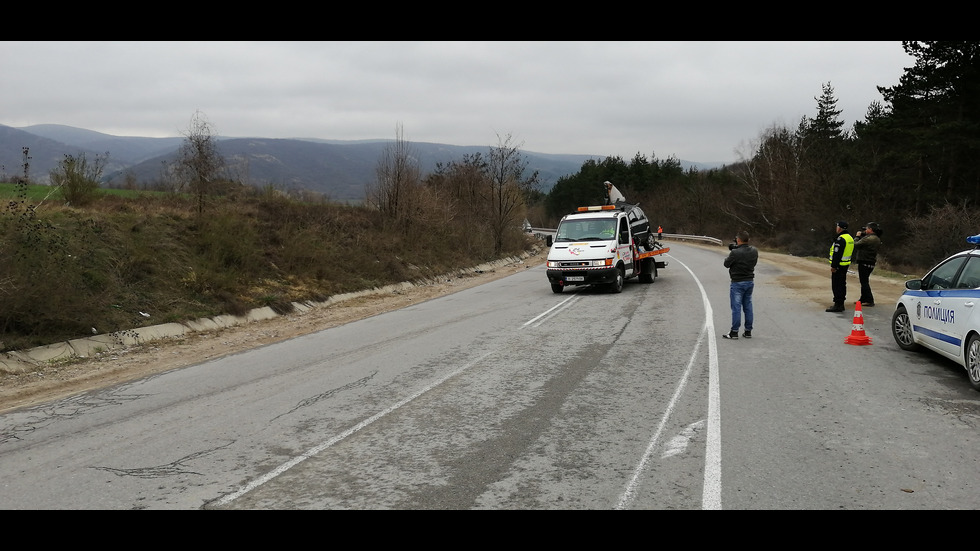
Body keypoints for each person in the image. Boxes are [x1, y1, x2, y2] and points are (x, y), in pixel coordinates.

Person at [722, 230, 759, 339]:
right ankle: (748, 331)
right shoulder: (754, 251)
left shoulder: (735, 253)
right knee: (748, 306)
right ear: (748, 240)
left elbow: (726, 264)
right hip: (749, 281)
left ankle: (734, 331)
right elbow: (754, 263)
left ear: (738, 240)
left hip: (737, 282)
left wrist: (733, 251)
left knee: (736, 307)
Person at [826, 220, 855, 312]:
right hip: (845, 264)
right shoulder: (849, 238)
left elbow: (837, 254)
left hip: (839, 265)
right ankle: (841, 303)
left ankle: (838, 304)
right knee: (842, 284)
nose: (836, 228)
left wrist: (834, 266)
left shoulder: (841, 239)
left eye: (837, 226)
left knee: (837, 285)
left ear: (839, 228)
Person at [853, 222, 883, 307]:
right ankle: (863, 298)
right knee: (864, 281)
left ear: (870, 229)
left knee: (864, 282)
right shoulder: (876, 238)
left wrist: (857, 236)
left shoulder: (869, 239)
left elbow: (856, 244)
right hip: (870, 261)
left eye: (866, 229)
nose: (865, 230)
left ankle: (869, 300)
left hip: (865, 261)